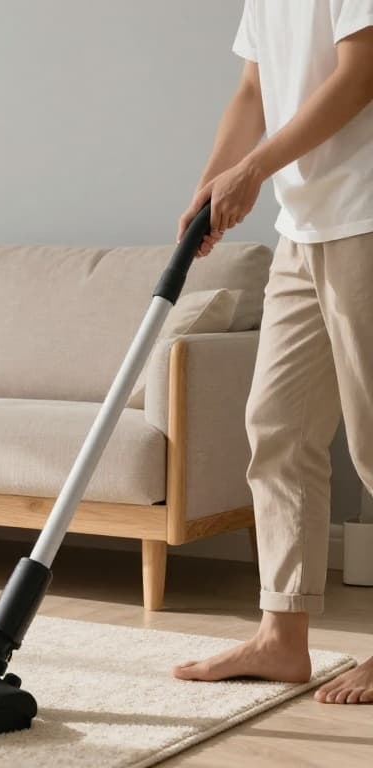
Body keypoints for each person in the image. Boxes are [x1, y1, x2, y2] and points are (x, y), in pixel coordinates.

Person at [170, 0, 373, 704]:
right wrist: (212, 185)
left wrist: (252, 171)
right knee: (278, 428)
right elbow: (252, 91)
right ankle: (281, 638)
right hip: (302, 227)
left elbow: (360, 74)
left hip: (367, 218)